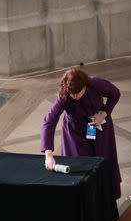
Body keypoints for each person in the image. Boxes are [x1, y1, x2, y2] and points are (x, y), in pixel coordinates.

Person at [41, 68, 122, 199]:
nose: (75, 96)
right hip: (75, 133)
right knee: (80, 167)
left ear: (85, 85)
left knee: (103, 162)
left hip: (99, 127)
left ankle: (106, 199)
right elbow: (49, 121)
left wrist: (104, 114)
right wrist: (48, 154)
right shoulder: (65, 95)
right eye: (72, 93)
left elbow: (115, 94)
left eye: (78, 92)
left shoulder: (96, 83)